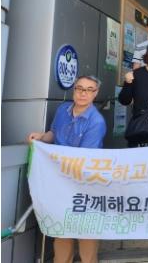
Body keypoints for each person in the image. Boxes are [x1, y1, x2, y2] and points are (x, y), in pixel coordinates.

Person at [27, 75, 107, 263]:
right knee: (61, 229)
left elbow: (84, 158)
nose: (83, 93)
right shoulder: (63, 110)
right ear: (74, 90)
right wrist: (41, 137)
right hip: (59, 180)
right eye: (79, 88)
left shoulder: (96, 121)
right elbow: (53, 133)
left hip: (83, 183)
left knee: (85, 233)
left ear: (95, 93)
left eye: (89, 90)